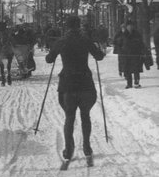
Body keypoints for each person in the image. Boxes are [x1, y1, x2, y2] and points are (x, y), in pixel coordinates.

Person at [46, 15, 104, 164]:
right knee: (85, 116)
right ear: (79, 26)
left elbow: (49, 59)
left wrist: (53, 51)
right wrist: (98, 46)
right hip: (85, 82)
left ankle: (68, 149)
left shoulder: (62, 41)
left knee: (69, 117)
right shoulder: (86, 40)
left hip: (68, 83)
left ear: (67, 26)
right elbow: (99, 57)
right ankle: (87, 147)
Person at [118, 21, 145, 88]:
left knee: (136, 69)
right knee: (127, 69)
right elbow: (118, 43)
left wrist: (142, 51)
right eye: (128, 26)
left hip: (135, 54)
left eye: (131, 26)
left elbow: (141, 43)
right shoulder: (123, 34)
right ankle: (129, 83)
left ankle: (136, 82)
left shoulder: (137, 34)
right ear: (126, 27)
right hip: (126, 55)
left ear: (133, 26)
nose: (130, 27)